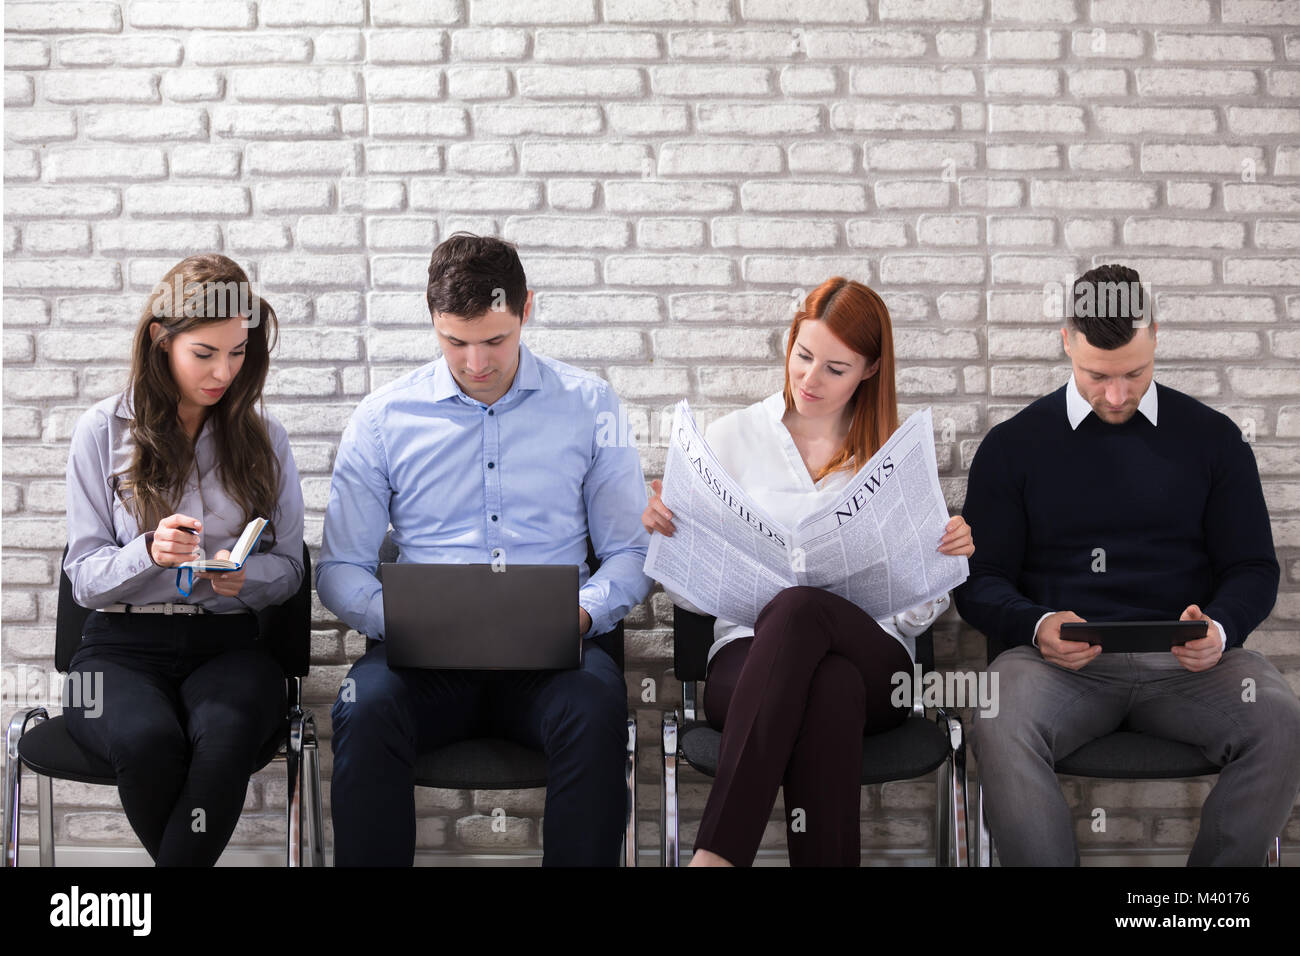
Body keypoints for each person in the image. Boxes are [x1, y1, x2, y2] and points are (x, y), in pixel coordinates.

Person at [319, 233, 651, 867]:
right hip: (423, 664)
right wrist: (404, 621)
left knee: (595, 707)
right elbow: (339, 569)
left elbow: (630, 553)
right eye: (455, 342)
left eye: (494, 340)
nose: (475, 363)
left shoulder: (590, 406)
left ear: (526, 310)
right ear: (432, 321)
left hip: (553, 660)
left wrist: (580, 614)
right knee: (363, 709)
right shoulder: (383, 419)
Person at [956, 263, 1300, 866]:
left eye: (1134, 374)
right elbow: (979, 583)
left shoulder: (1213, 440)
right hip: (1057, 670)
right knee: (994, 705)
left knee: (1278, 718)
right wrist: (1038, 625)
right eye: (1096, 376)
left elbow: (1253, 567)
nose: (1115, 396)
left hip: (1187, 669)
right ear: (1066, 341)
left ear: (1156, 337)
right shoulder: (1014, 447)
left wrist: (1218, 628)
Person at [642, 277, 975, 867]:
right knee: (828, 686)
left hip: (880, 664)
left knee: (802, 608)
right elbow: (693, 601)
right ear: (791, 341)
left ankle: (716, 858)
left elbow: (919, 613)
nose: (809, 380)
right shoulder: (730, 439)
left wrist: (943, 556)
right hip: (747, 658)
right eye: (803, 355)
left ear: (870, 370)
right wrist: (672, 535)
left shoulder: (891, 455)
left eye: (836, 369)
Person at [61, 254, 305, 866]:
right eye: (205, 353)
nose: (224, 371)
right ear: (160, 341)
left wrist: (247, 579)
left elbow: (294, 568)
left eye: (238, 352)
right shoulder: (101, 431)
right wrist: (146, 551)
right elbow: (84, 578)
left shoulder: (265, 440)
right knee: (147, 742)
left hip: (228, 643)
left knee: (222, 742)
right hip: (118, 645)